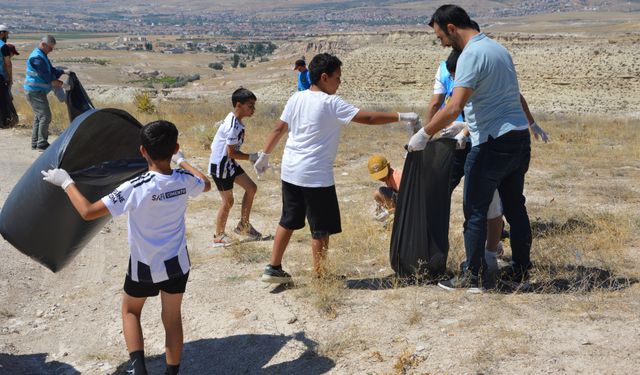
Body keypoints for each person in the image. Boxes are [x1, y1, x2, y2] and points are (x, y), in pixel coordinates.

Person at [41, 120, 212, 375]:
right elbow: (206, 183)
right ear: (175, 147)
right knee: (172, 318)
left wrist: (65, 182)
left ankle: (139, 370)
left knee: (131, 310)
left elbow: (88, 212)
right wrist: (182, 161)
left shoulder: (136, 186)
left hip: (144, 265)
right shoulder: (184, 180)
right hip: (177, 264)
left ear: (142, 151)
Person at [255, 52, 419, 283]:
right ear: (324, 77)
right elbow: (369, 119)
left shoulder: (296, 98)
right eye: (338, 78)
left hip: (291, 171)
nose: (340, 83)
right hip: (315, 176)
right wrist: (402, 116)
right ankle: (321, 276)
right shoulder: (330, 102)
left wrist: (264, 155)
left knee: (288, 219)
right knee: (320, 228)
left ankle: (273, 267)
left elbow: (278, 129)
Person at [409, 5, 533, 292]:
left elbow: (454, 106)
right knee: (515, 207)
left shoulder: (470, 55)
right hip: (518, 138)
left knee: (475, 210)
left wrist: (425, 134)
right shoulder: (497, 48)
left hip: (492, 143)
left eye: (441, 36)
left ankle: (472, 276)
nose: (441, 43)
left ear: (452, 28)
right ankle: (521, 270)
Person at [208, 87, 265, 246]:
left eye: (254, 106)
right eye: (250, 106)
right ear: (238, 105)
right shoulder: (233, 125)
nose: (253, 109)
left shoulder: (235, 119)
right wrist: (252, 157)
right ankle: (218, 236)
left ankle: (243, 226)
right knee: (228, 201)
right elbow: (231, 152)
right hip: (221, 166)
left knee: (251, 188)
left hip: (229, 164)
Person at [23, 35, 69, 151]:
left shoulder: (42, 55)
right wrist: (61, 84)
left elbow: (50, 70)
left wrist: (63, 71)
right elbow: (47, 77)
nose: (51, 50)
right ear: (43, 45)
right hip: (34, 92)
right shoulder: (37, 58)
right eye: (50, 48)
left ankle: (36, 143)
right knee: (45, 116)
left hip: (37, 91)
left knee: (39, 117)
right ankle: (42, 144)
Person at [367, 155, 402, 221]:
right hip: (399, 199)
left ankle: (396, 218)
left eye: (382, 175)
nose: (381, 178)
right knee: (377, 194)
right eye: (378, 176)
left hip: (409, 204)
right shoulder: (388, 177)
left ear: (388, 166)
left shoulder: (397, 178)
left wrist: (388, 212)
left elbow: (407, 202)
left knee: (381, 191)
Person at [0, 25, 18, 128]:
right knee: (2, 99)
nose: (7, 37)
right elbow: (7, 64)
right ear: (2, 33)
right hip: (1, 76)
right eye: (6, 34)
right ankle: (3, 123)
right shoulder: (3, 46)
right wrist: (10, 78)